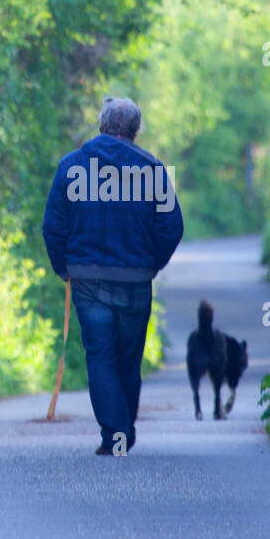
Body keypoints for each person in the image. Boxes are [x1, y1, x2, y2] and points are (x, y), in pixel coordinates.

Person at [42, 97, 184, 455]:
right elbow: (172, 227)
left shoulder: (71, 167)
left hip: (88, 281)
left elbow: (53, 227)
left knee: (100, 356)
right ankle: (121, 431)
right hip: (136, 281)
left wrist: (64, 267)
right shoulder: (152, 170)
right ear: (135, 130)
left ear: (101, 125)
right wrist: (152, 264)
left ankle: (116, 433)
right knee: (128, 358)